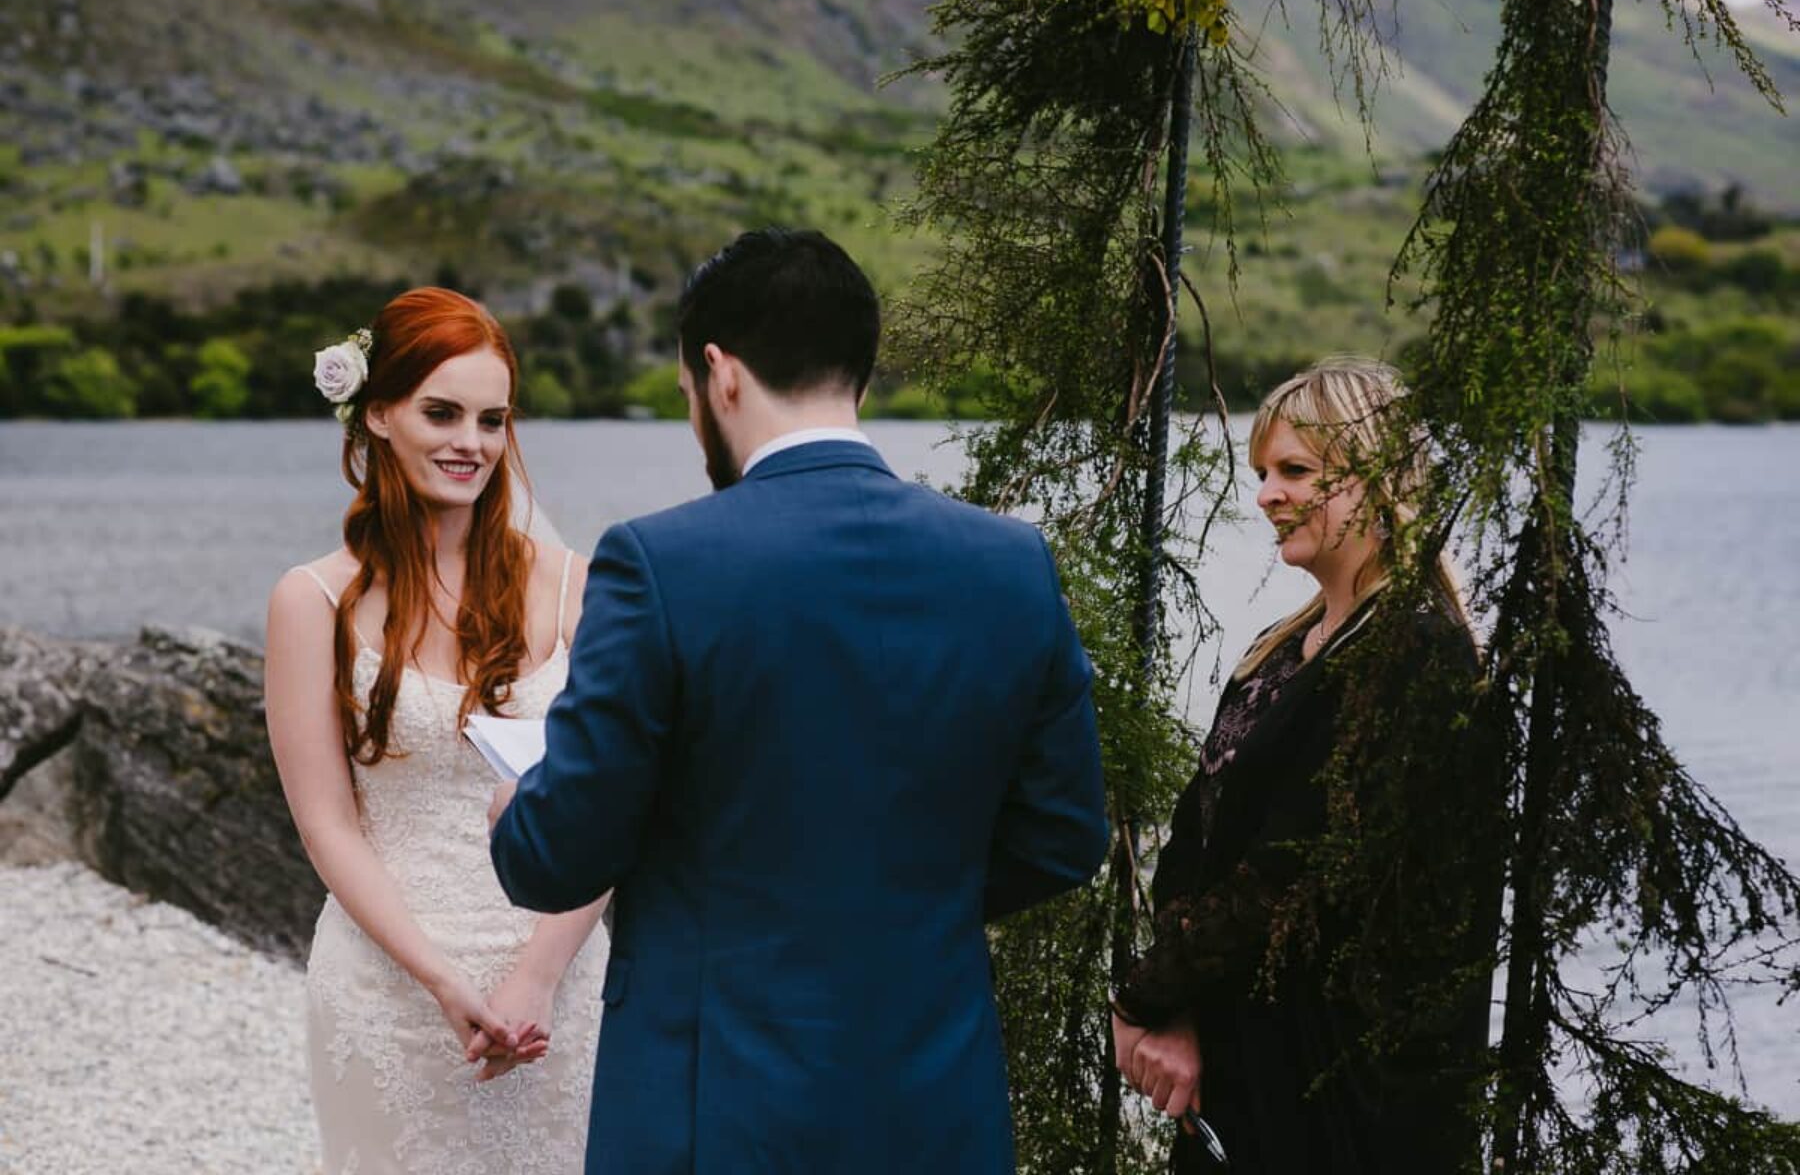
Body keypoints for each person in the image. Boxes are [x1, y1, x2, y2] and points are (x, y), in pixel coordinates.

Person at [486, 228, 1110, 1174]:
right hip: (934, 1098)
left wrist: (514, 812)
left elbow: (557, 854)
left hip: (717, 1105)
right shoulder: (1011, 564)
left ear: (718, 374)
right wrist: (900, 899)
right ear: (858, 372)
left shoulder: (660, 564)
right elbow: (1064, 834)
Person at [1110, 357, 1500, 1173]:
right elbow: (1198, 838)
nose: (1266, 496)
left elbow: (1292, 872)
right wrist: (1173, 1011)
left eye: (1296, 470)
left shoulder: (1414, 651)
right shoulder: (1288, 645)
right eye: (1261, 473)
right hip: (1242, 1067)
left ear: (1379, 477)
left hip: (1341, 1098)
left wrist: (1143, 998)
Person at [265, 287, 609, 1174]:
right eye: (442, 412)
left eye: (493, 420)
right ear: (377, 413)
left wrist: (536, 976)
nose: (472, 443)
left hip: (560, 985)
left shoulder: (580, 587)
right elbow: (327, 823)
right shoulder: (312, 602)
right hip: (388, 986)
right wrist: (440, 980)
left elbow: (613, 803)